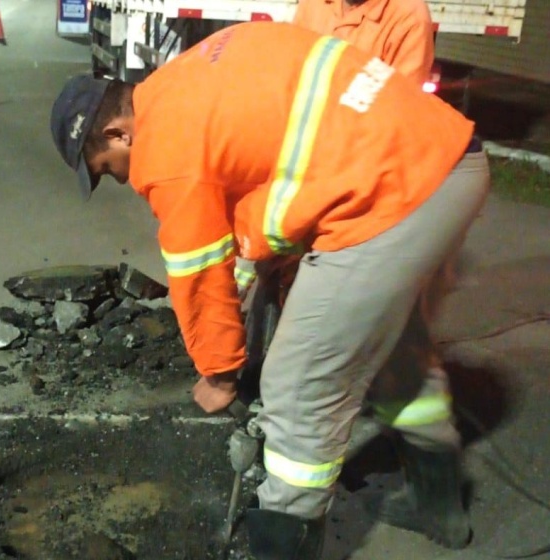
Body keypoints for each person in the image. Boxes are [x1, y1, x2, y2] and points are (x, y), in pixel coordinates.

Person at [50, 22, 488, 559]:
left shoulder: (165, 150)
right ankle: (439, 502)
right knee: (390, 349)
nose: (120, 180)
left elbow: (198, 272)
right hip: (446, 163)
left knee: (297, 387)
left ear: (119, 133)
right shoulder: (190, 78)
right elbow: (255, 202)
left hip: (390, 195)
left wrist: (219, 372)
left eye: (106, 169)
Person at [293, 0, 435, 86]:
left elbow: (400, 109)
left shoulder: (410, 19)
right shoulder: (312, 3)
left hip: (362, 133)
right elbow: (291, 71)